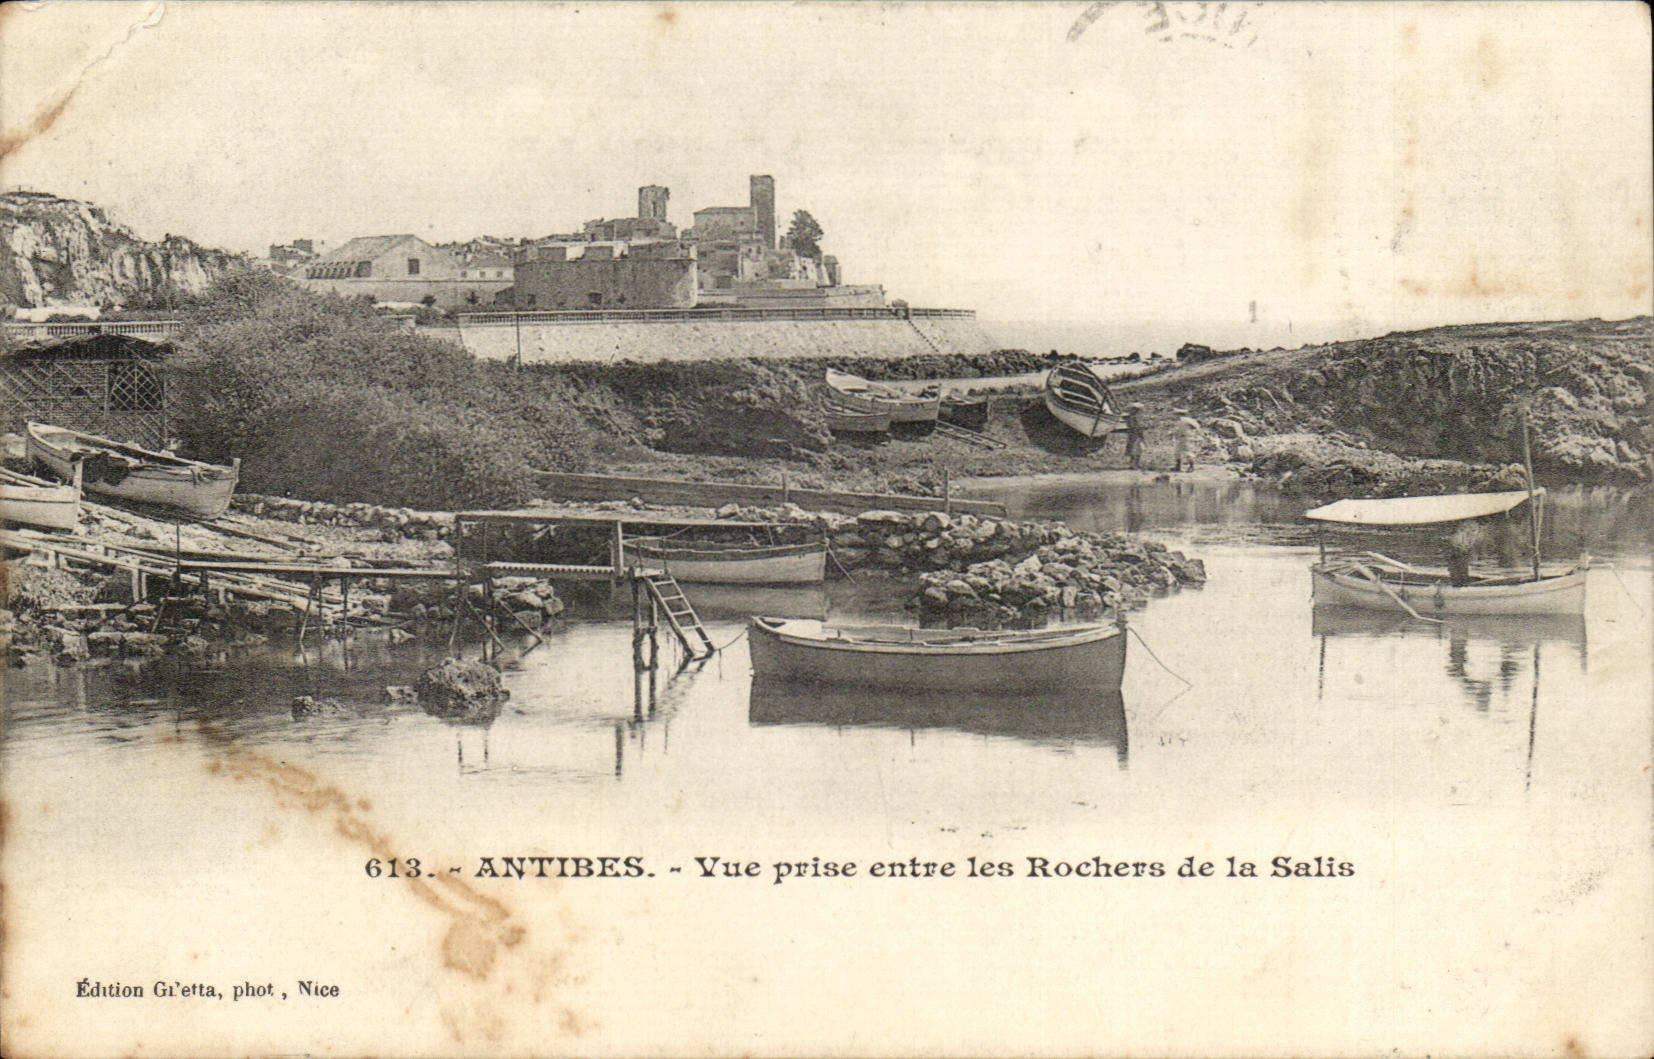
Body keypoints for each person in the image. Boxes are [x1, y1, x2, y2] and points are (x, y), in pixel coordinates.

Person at [1172, 407, 1203, 472]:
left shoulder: (1188, 420)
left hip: (1186, 437)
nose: (1175, 415)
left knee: (1187, 452)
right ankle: (1178, 466)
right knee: (1177, 452)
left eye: (1177, 414)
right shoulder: (1178, 421)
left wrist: (1195, 434)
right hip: (1179, 438)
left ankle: (1191, 466)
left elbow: (1197, 426)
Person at [1123, 402, 1146, 469]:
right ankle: (1134, 465)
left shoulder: (1130, 418)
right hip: (1136, 435)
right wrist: (1140, 432)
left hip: (1133, 435)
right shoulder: (1133, 418)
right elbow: (1135, 427)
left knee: (1134, 450)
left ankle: (1132, 464)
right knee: (1136, 450)